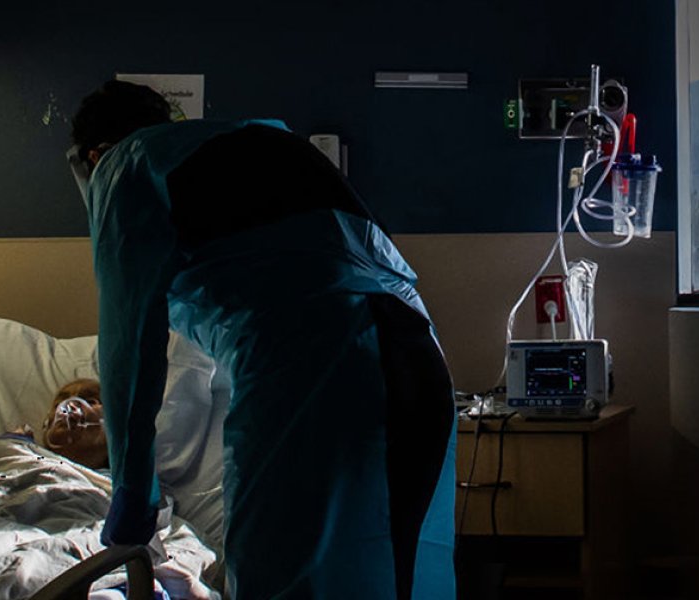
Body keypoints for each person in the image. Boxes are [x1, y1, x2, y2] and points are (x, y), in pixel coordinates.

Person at [68, 80, 456, 599]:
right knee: (398, 567)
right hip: (416, 347)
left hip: (310, 363)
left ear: (93, 154)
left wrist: (133, 500)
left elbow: (129, 346)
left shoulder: (125, 165)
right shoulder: (263, 144)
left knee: (281, 572)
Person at [9, 378, 108, 470]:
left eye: (90, 402)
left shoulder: (114, 483)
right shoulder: (21, 457)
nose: (69, 405)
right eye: (58, 404)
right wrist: (12, 444)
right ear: (47, 424)